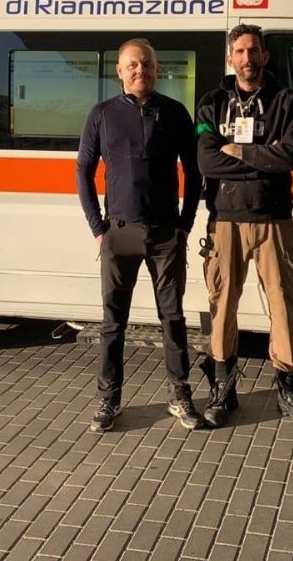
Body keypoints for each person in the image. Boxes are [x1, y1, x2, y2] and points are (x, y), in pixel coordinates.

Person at [195, 23, 293, 431]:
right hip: (225, 220)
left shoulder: (287, 102)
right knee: (222, 305)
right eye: (240, 51)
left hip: (273, 220)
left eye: (254, 51)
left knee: (282, 304)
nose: (247, 58)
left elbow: (288, 158)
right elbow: (207, 161)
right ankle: (222, 389)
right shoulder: (212, 104)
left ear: (264, 55)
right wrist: (262, 157)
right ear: (230, 58)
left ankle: (291, 391)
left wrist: (239, 151)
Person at [77, 38, 204, 433]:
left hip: (166, 234)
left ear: (157, 69)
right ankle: (108, 400)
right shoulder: (102, 114)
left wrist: (185, 224)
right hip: (118, 233)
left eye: (146, 64)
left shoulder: (175, 113)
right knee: (113, 322)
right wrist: (97, 228)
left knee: (173, 318)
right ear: (119, 71)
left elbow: (194, 171)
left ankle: (180, 395)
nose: (140, 71)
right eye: (132, 65)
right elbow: (83, 171)